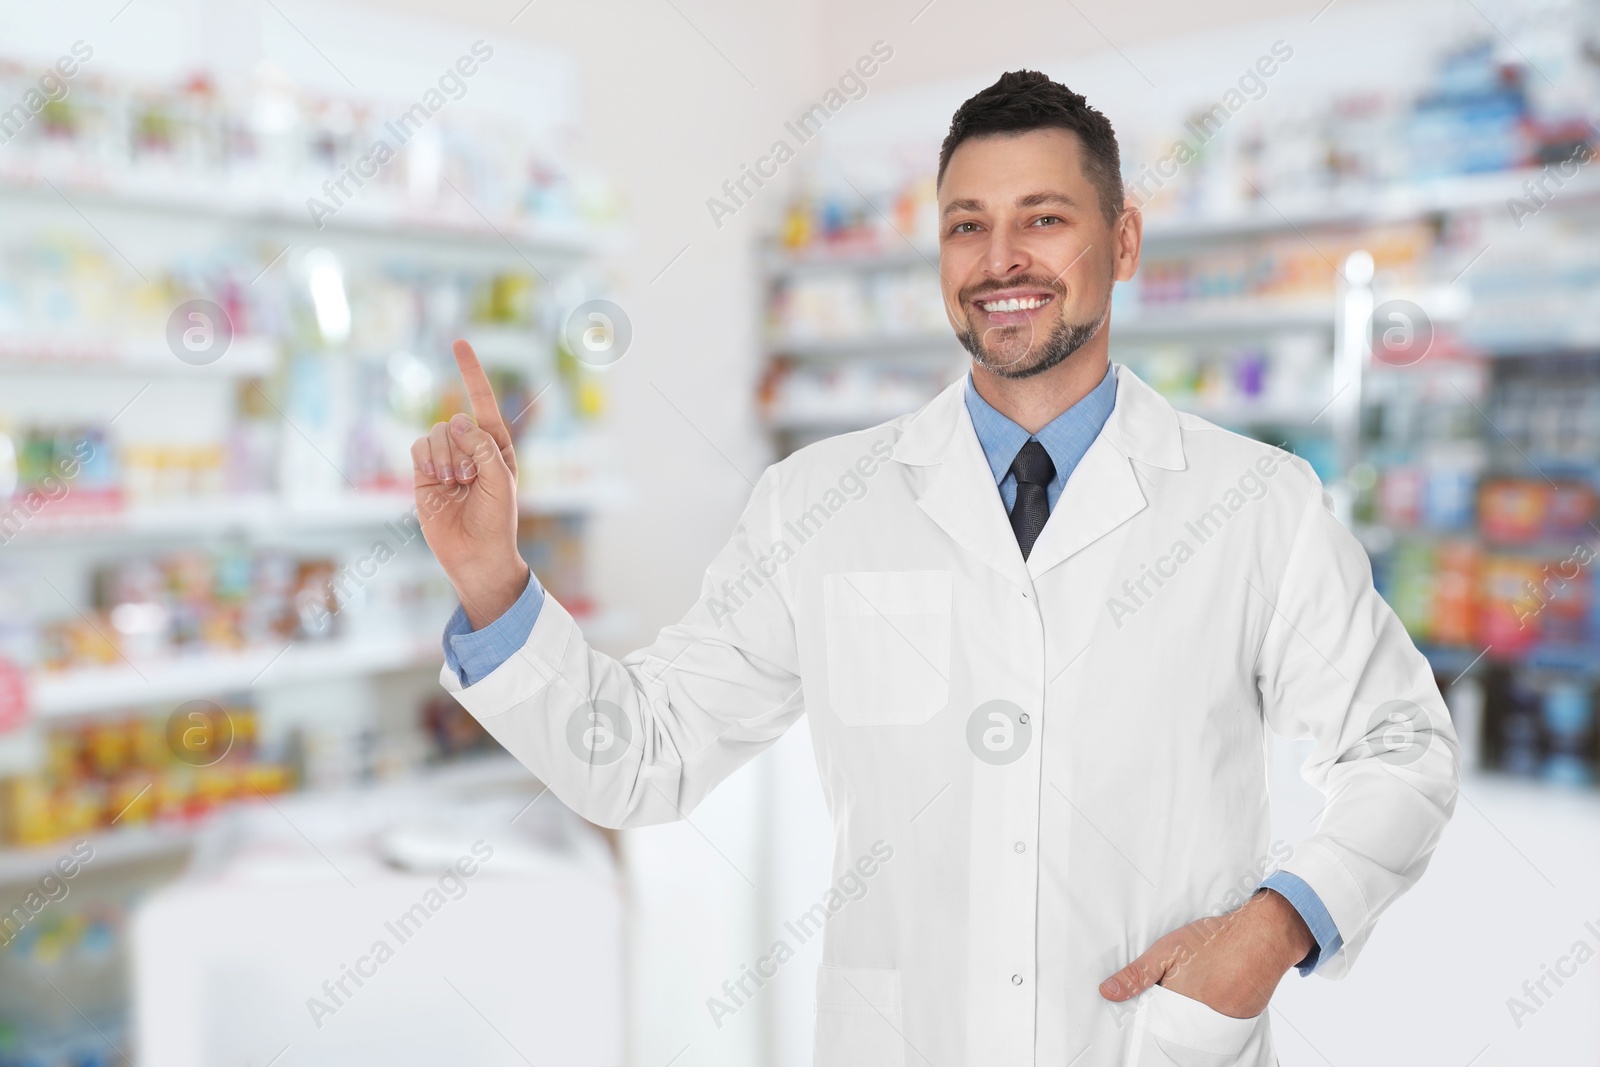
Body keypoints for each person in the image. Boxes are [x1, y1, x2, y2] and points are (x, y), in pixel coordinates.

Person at [411, 70, 1459, 1067]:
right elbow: (638, 759)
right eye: (967, 225)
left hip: (1155, 1039)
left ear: (1123, 238)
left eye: (1042, 217)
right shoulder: (816, 503)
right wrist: (491, 578)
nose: (1000, 258)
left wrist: (1274, 925)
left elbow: (1401, 745)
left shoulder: (1257, 503)